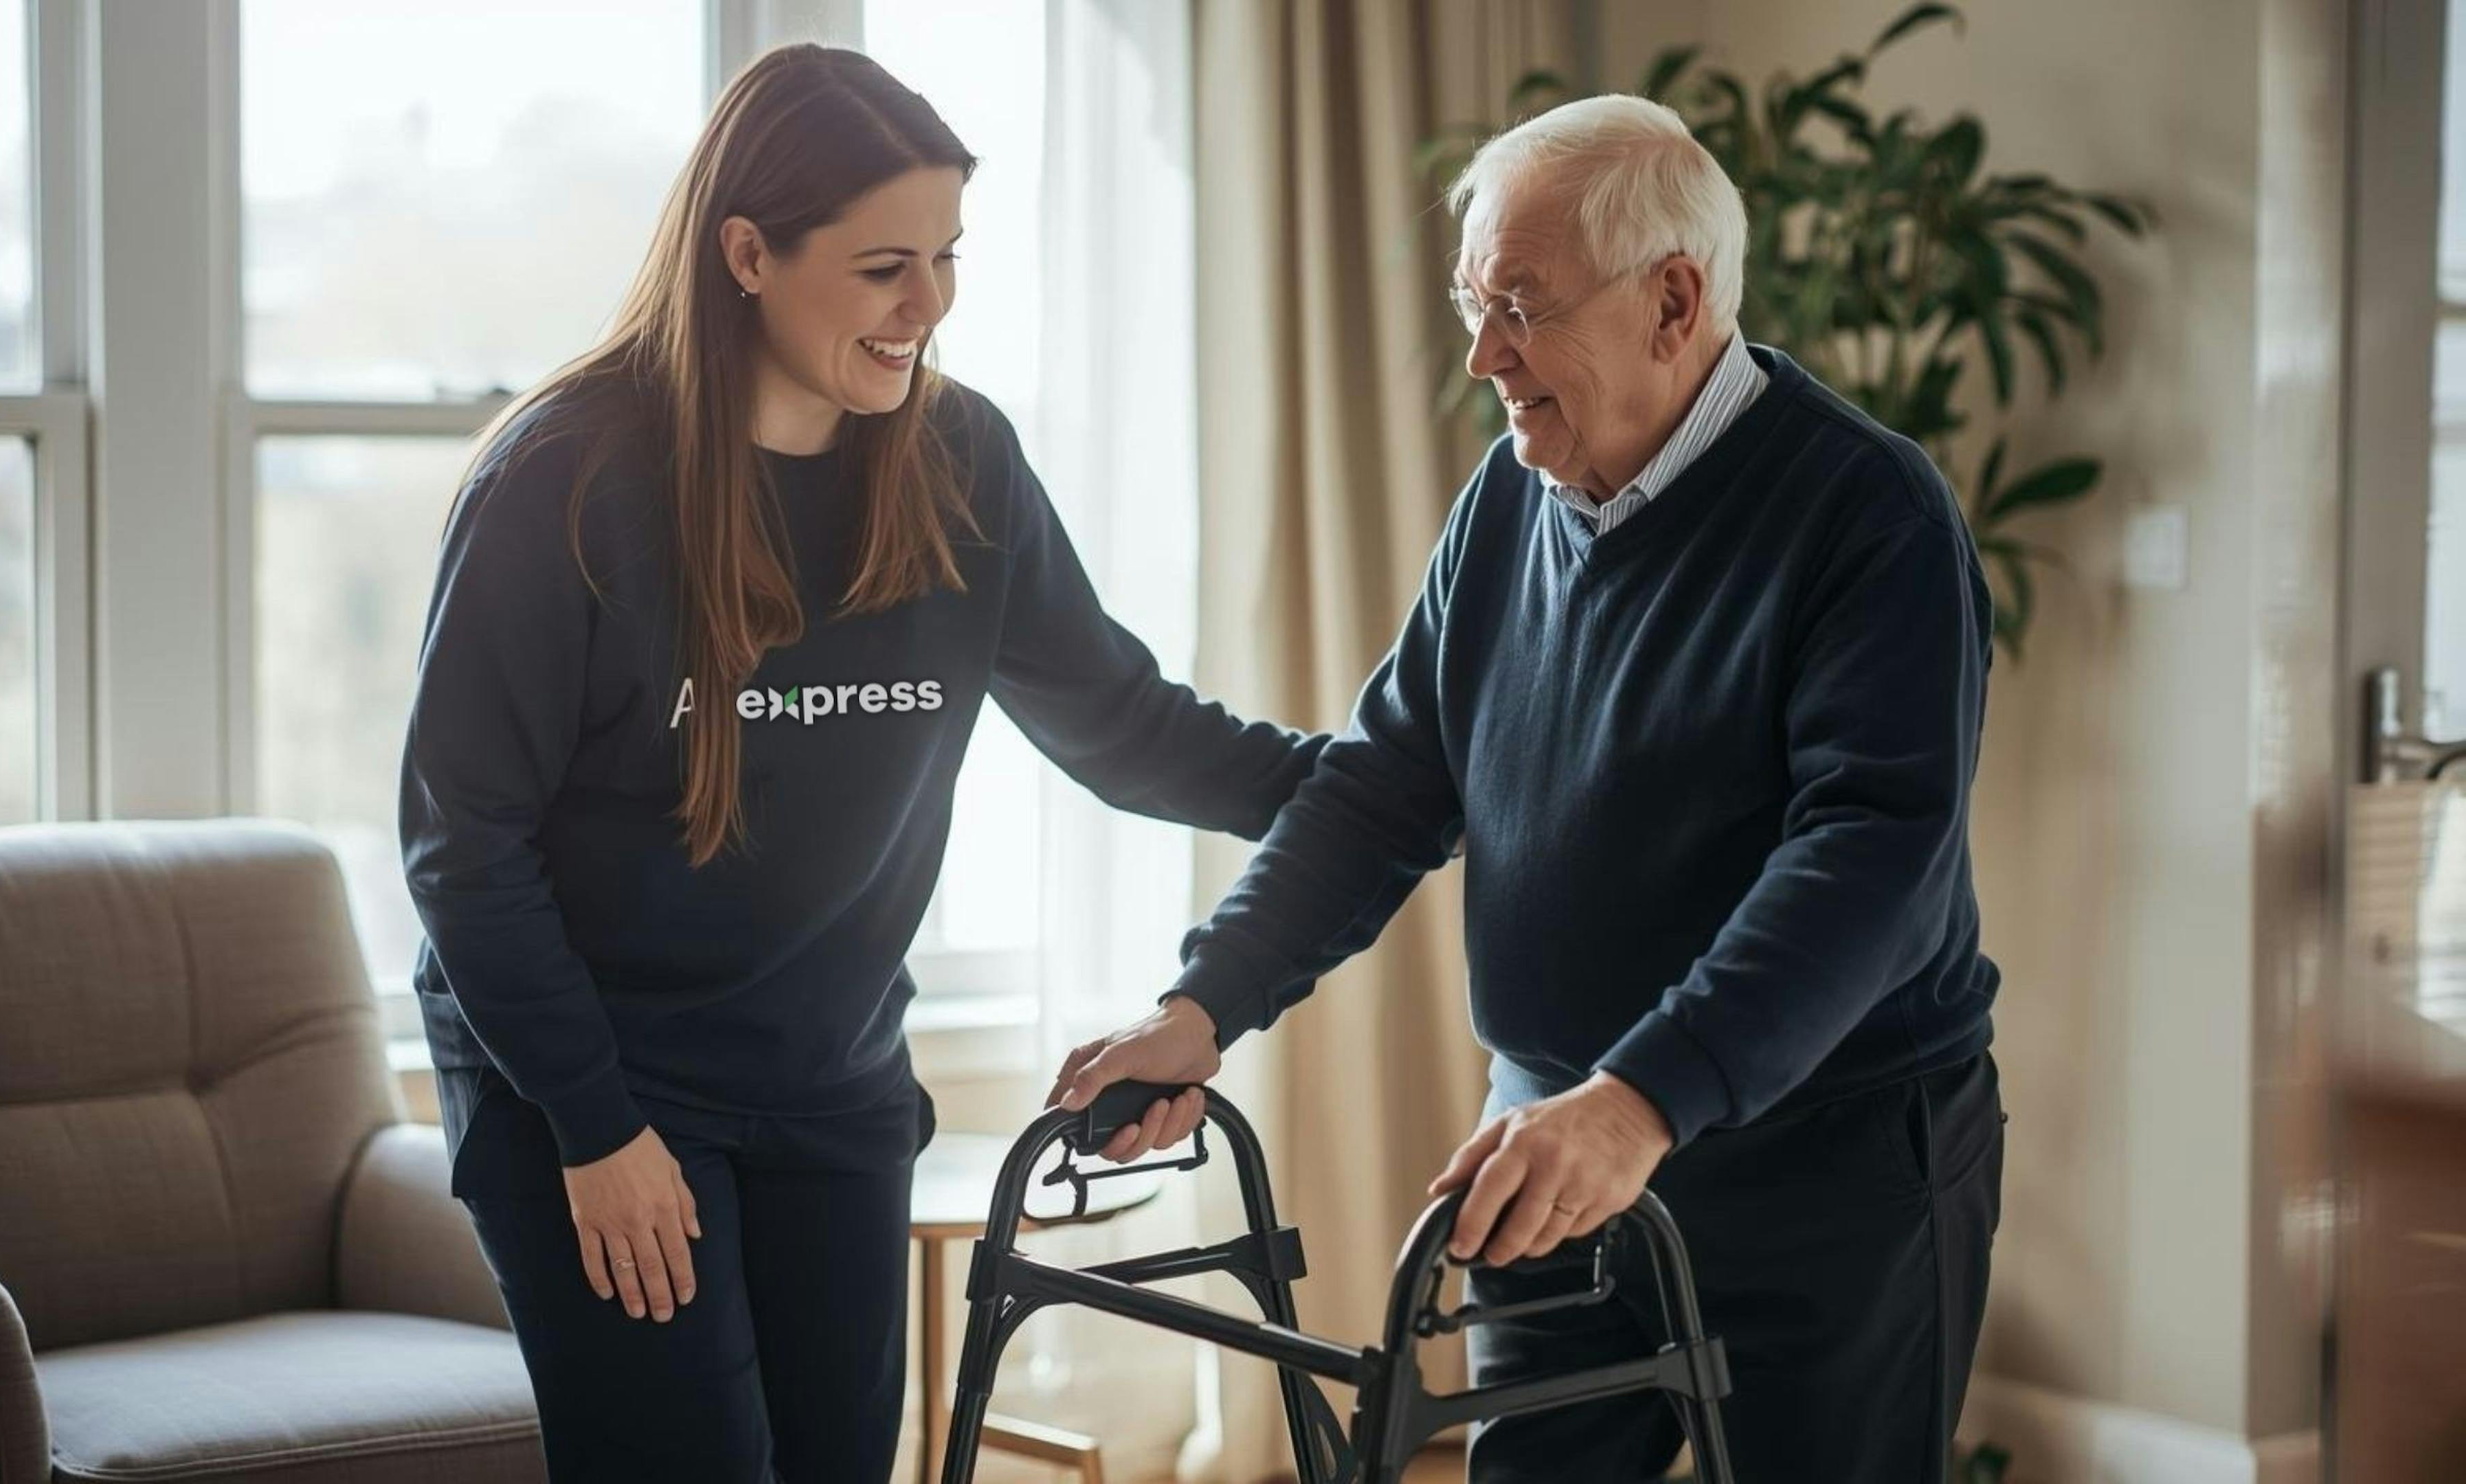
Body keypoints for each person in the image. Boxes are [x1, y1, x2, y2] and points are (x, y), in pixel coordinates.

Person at [1048, 93, 2008, 1484]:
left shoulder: (1869, 513)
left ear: (1673, 301)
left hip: (1828, 1171)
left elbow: (1870, 862)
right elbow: (1386, 788)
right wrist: (1206, 1004)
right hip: (1549, 1155)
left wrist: (1642, 1102)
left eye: (1520, 305)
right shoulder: (1509, 502)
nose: (1483, 354)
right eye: (1470, 303)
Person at [398, 44, 1320, 1483]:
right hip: (594, 1079)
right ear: (748, 254)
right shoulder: (567, 483)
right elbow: (466, 844)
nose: (929, 306)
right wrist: (595, 1124)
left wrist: (1390, 785)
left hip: (828, 1072)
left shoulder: (957, 460)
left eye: (948, 257)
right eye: (887, 265)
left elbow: (1128, 730)